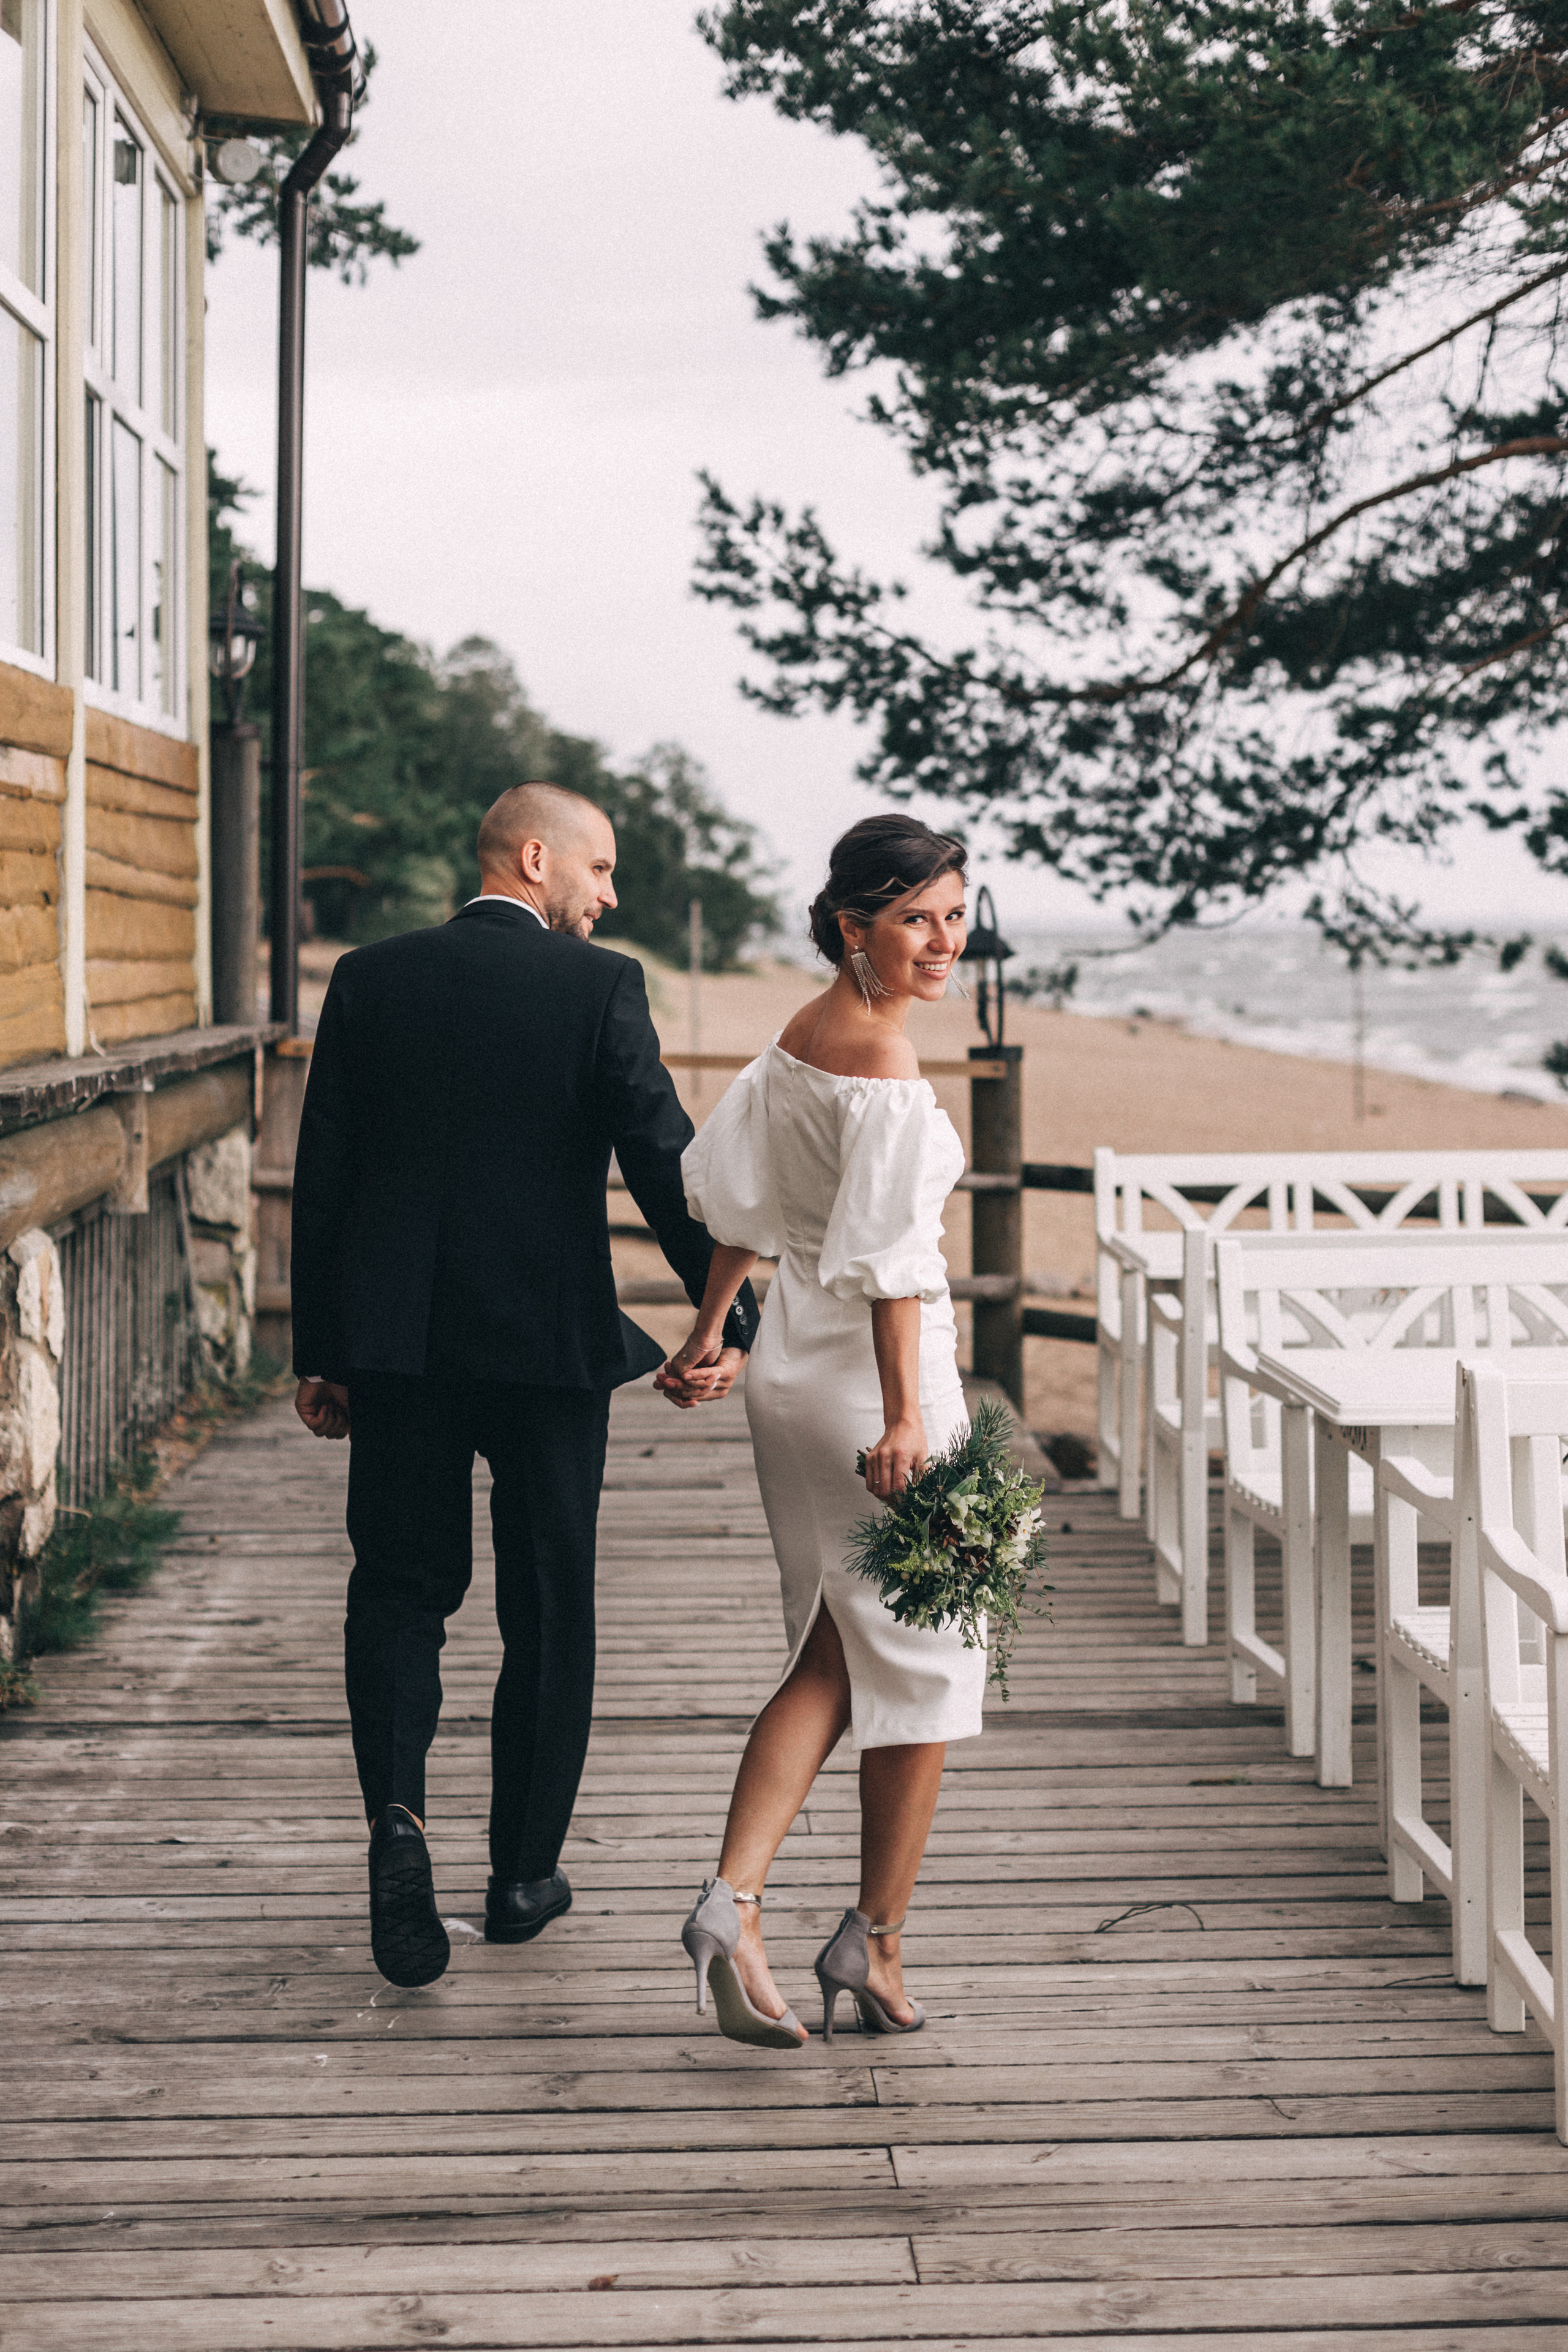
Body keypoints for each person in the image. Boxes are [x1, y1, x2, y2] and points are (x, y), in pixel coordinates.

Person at [290, 783, 758, 1990]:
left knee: (400, 1591)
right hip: (548, 1349)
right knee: (549, 1606)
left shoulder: (370, 979)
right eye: (600, 871)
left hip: (400, 1348)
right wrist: (726, 1312)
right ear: (536, 858)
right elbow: (662, 1158)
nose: (610, 897)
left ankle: (399, 1822)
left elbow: (324, 1168)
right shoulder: (597, 987)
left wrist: (322, 1352)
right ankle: (521, 1877)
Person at [656, 813, 977, 2048]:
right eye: (914, 920)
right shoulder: (883, 1063)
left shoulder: (799, 1034)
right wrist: (903, 1418)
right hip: (873, 1385)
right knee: (929, 1657)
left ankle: (733, 1905)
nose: (942, 942)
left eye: (955, 916)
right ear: (854, 926)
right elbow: (893, 1267)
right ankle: (873, 1943)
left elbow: (741, 1200)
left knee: (839, 1655)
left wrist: (710, 1330)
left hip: (791, 1367)